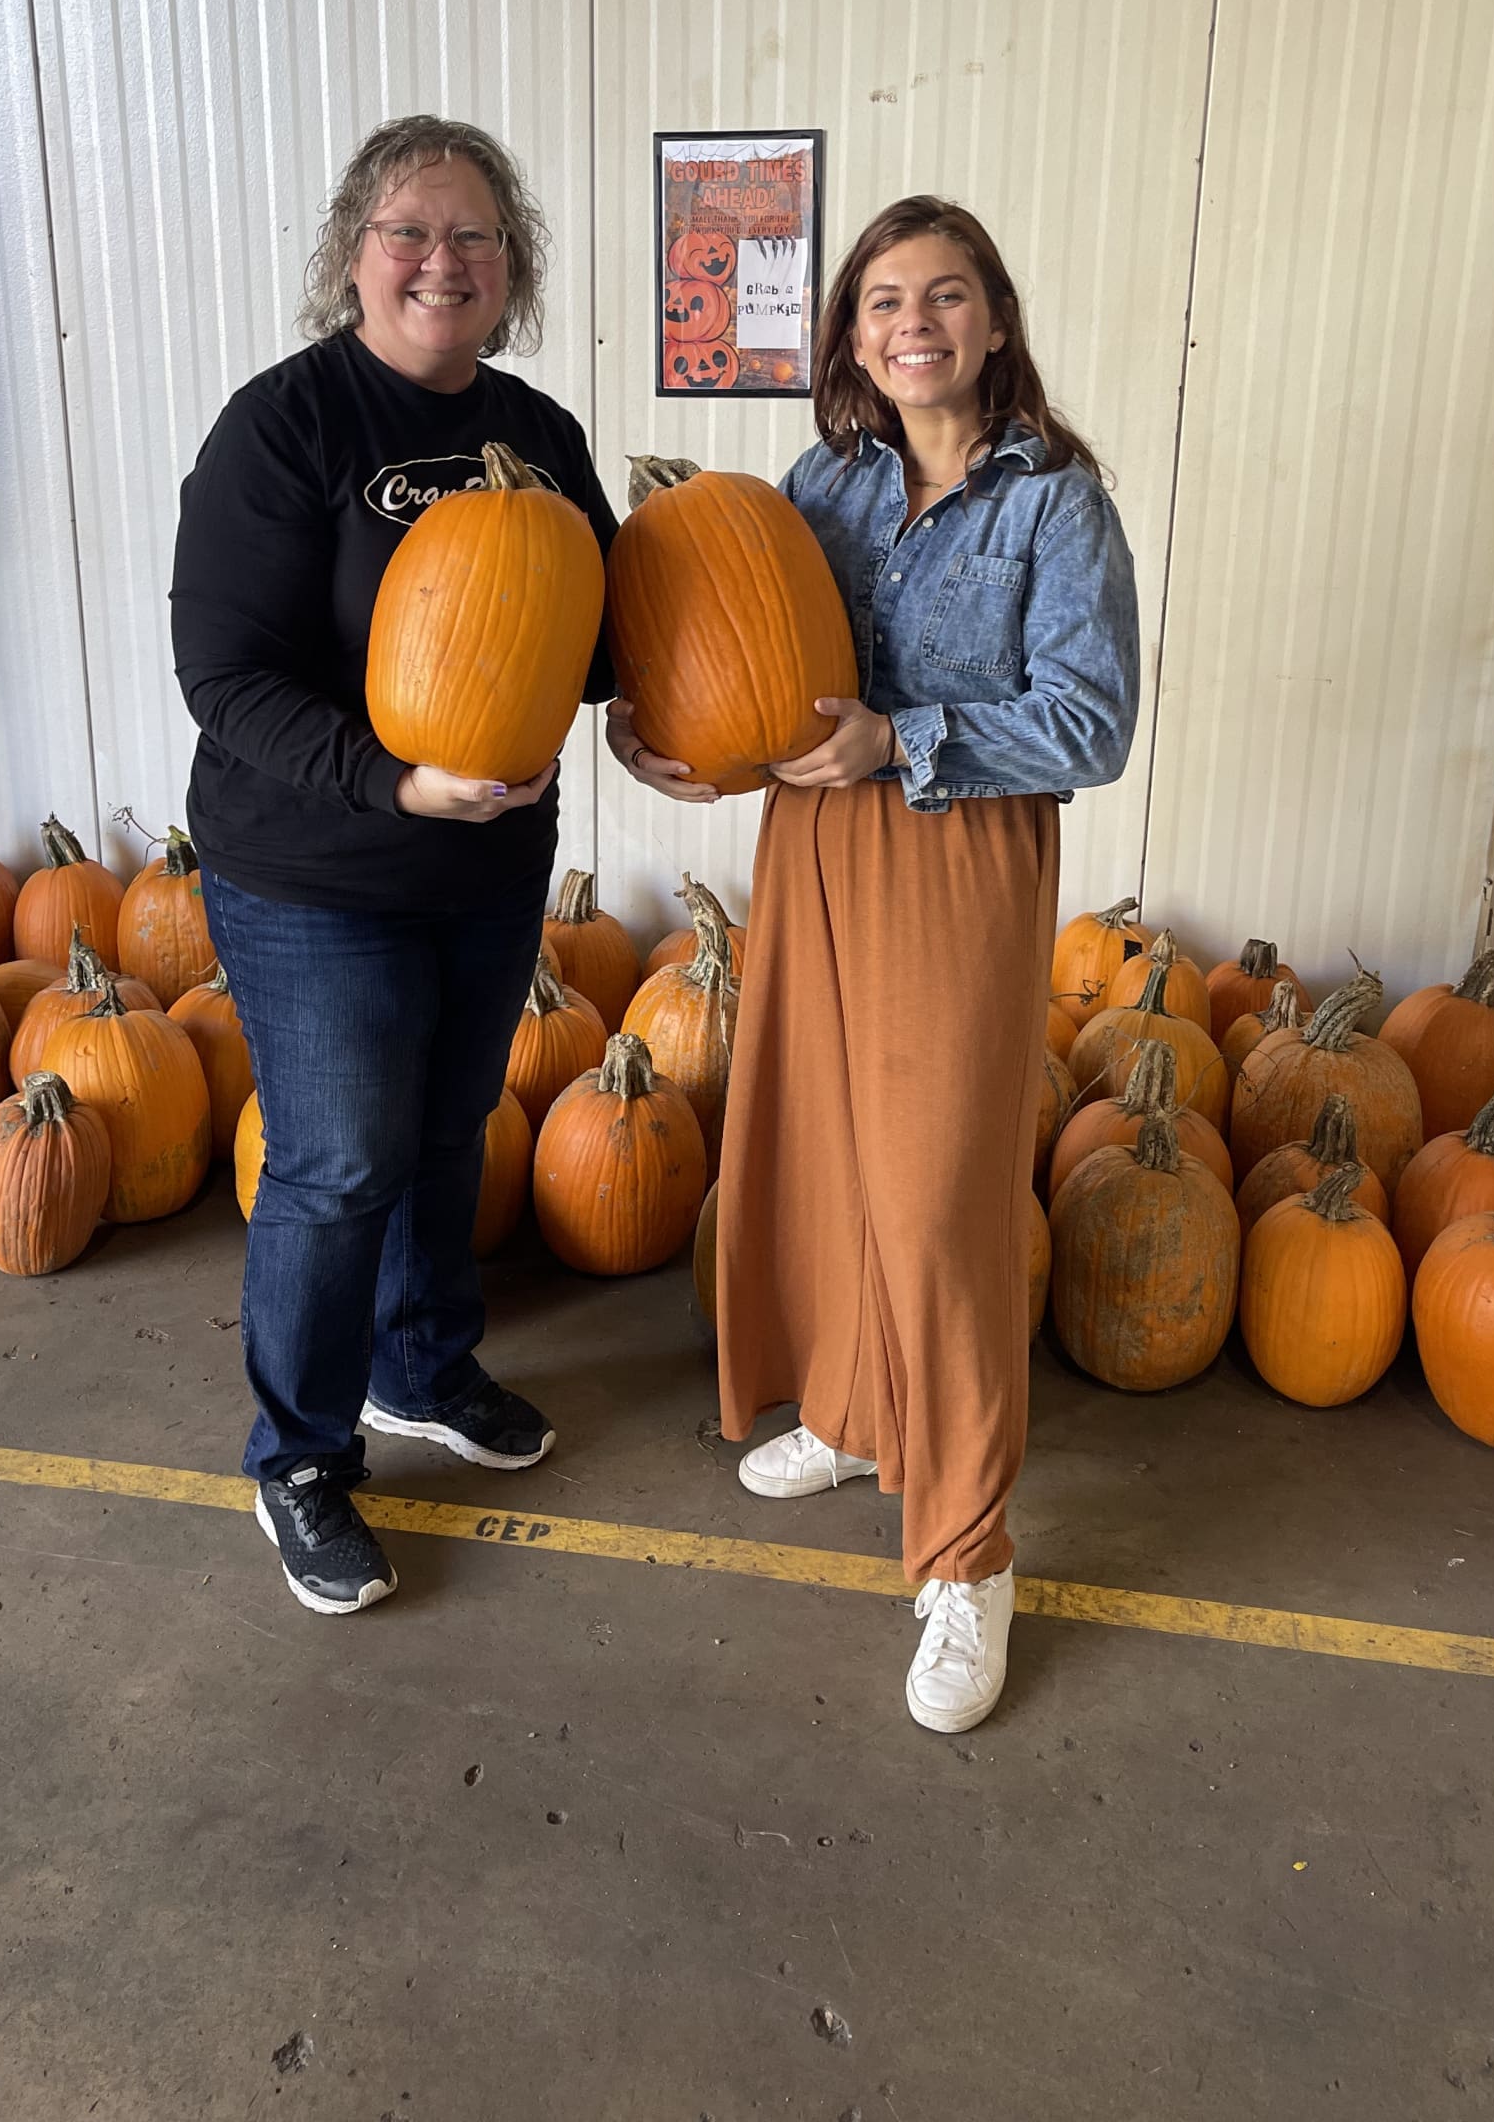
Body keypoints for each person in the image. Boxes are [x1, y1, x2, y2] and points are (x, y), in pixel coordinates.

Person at [623, 195, 1139, 1735]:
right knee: (827, 1158)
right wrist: (685, 750)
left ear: (995, 322)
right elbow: (766, 678)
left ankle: (971, 1558)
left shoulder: (1056, 503)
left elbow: (1090, 724)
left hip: (957, 854)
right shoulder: (821, 485)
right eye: (885, 301)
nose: (917, 323)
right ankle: (854, 1411)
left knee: (934, 1205)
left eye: (947, 295)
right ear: (850, 336)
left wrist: (902, 740)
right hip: (814, 843)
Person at [170, 115, 638, 1617]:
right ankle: (301, 1456)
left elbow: (596, 638)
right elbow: (224, 675)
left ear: (512, 268)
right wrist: (392, 781)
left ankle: (421, 1369)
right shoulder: (286, 426)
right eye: (410, 232)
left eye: (475, 236)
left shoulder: (540, 432)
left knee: (448, 1129)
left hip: (487, 866)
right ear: (353, 257)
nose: (444, 260)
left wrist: (664, 713)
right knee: (337, 1161)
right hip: (315, 871)